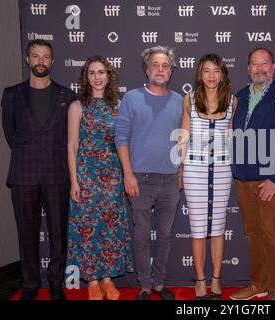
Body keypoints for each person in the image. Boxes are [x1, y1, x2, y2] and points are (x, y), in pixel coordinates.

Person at [1, 40, 76, 300]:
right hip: (24, 173)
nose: (41, 61)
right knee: (27, 232)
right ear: (27, 60)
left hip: (58, 174)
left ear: (52, 62)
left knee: (58, 232)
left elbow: (71, 137)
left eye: (45, 57)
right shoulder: (11, 94)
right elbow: (11, 133)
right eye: (36, 56)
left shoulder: (67, 95)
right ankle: (31, 284)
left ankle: (56, 283)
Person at [229, 48, 275, 300]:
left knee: (271, 233)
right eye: (255, 64)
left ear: (274, 66)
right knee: (253, 234)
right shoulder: (239, 97)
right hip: (243, 179)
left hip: (270, 180)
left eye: (264, 64)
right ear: (248, 69)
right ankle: (257, 283)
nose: (259, 68)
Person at [115, 45, 183, 300]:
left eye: (165, 65)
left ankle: (158, 283)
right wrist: (128, 174)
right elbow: (121, 137)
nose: (160, 69)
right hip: (139, 178)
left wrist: (181, 172)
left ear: (171, 70)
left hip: (169, 179)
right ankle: (144, 285)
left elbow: (183, 140)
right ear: (146, 69)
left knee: (164, 235)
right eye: (155, 64)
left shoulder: (179, 101)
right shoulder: (132, 98)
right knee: (142, 235)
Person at [66, 56, 134, 300]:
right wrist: (74, 180)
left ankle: (107, 279)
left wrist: (126, 174)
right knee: (86, 227)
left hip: (112, 174)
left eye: (101, 72)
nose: (97, 77)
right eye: (92, 72)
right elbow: (72, 145)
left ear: (109, 76)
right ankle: (92, 280)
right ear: (86, 77)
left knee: (110, 226)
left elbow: (124, 141)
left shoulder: (118, 104)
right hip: (86, 173)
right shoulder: (78, 106)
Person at [179, 53, 237, 300]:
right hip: (195, 170)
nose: (211, 76)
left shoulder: (232, 101)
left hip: (223, 170)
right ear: (199, 75)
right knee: (198, 229)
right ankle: (200, 280)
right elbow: (183, 135)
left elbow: (231, 137)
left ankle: (216, 279)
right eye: (206, 71)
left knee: (218, 228)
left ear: (223, 74)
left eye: (216, 71)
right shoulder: (189, 99)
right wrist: (180, 169)